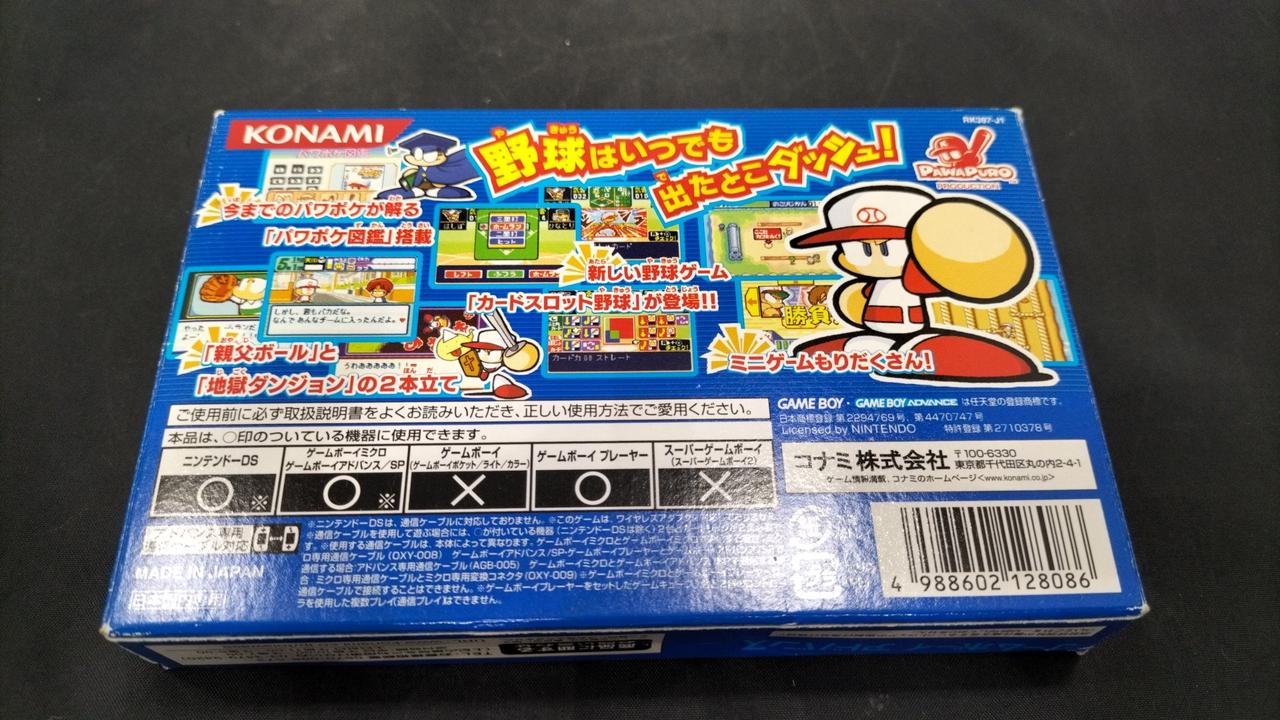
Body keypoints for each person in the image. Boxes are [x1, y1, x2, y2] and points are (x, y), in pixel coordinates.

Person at [789, 182, 1054, 384]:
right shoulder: (871, 284)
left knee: (924, 353)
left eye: (887, 246)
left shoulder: (920, 277)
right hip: (875, 333)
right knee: (830, 352)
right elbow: (855, 301)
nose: (875, 256)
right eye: (861, 248)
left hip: (914, 334)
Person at [376, 131, 480, 201]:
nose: (425, 160)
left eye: (430, 155)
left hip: (439, 188)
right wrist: (408, 177)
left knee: (455, 193)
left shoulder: (441, 169)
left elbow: (444, 177)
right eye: (419, 155)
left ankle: (438, 192)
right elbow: (415, 181)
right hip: (419, 188)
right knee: (396, 193)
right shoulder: (420, 170)